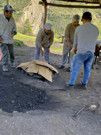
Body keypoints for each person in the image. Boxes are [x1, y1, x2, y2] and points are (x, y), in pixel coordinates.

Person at [67, 12, 99, 89]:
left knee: (75, 68)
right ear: (91, 19)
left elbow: (76, 41)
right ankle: (84, 84)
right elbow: (93, 41)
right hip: (91, 53)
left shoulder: (79, 28)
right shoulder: (96, 29)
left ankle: (71, 84)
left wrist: (74, 49)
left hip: (81, 52)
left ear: (83, 19)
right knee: (87, 69)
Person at [0, 5, 17, 72]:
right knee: (5, 53)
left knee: (11, 52)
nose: (11, 14)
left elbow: (14, 27)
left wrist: (14, 32)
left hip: (10, 39)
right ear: (5, 12)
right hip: (2, 38)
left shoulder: (12, 19)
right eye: (10, 13)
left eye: (11, 12)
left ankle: (12, 62)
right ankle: (5, 65)